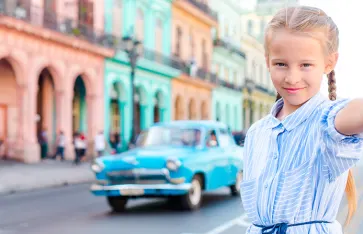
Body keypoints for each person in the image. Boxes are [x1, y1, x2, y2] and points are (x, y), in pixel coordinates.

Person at [240, 6, 363, 234]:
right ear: (267, 61)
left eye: (305, 64)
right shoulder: (257, 132)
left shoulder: (327, 123)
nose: (291, 77)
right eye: (281, 64)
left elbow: (354, 112)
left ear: (329, 63)